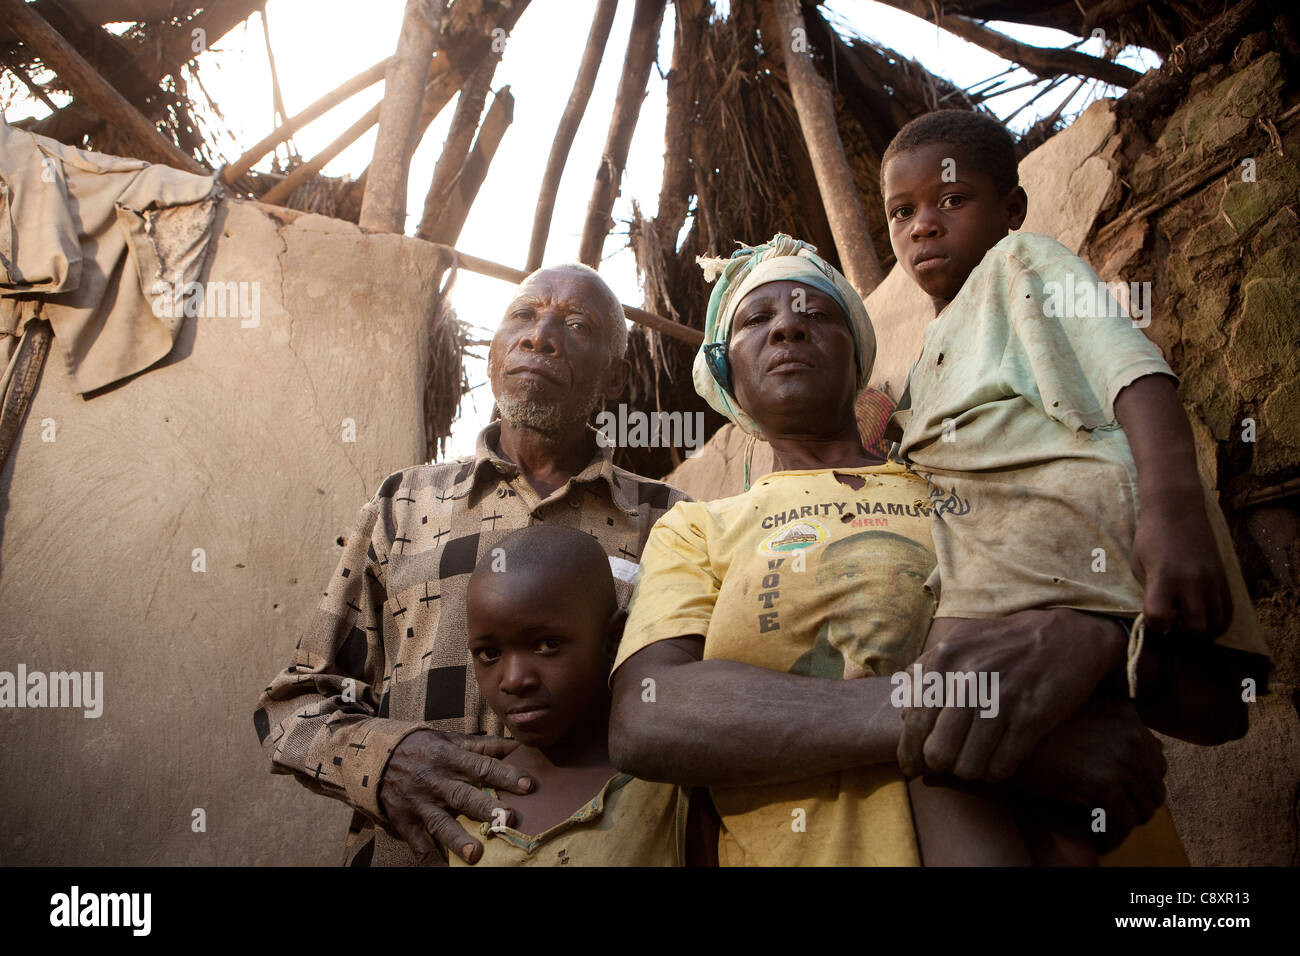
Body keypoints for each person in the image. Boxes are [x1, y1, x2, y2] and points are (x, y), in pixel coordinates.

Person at [608, 234, 1180, 866]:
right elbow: (648, 714)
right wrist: (968, 719)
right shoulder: (700, 529)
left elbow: (1145, 623)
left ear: (858, 358)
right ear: (725, 376)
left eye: (817, 314)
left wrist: (1092, 640)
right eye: (757, 319)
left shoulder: (964, 468)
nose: (789, 328)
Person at [879, 111, 1273, 862]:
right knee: (1038, 774)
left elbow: (1128, 364)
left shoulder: (1023, 262)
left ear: (1012, 210)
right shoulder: (928, 352)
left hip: (1067, 540)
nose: (924, 225)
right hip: (1014, 565)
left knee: (946, 723)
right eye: (904, 212)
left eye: (952, 201)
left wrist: (1172, 506)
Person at [254, 263, 688, 866]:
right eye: (524, 315)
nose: (540, 336)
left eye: (577, 324)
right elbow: (291, 706)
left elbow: (693, 709)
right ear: (491, 355)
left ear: (613, 377)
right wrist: (386, 758)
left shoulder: (673, 524)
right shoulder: (402, 506)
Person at [447, 525, 684, 866]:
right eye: (489, 653)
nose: (514, 680)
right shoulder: (465, 798)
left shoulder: (669, 790)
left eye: (547, 645)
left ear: (613, 640)